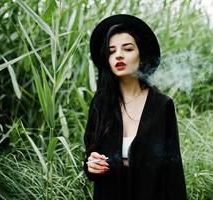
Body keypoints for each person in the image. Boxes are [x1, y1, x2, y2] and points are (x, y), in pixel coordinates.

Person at [83, 14, 187, 200]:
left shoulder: (162, 105)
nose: (119, 55)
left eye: (128, 49)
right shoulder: (101, 104)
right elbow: (92, 156)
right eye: (112, 51)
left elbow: (173, 170)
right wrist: (91, 165)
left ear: (141, 56)